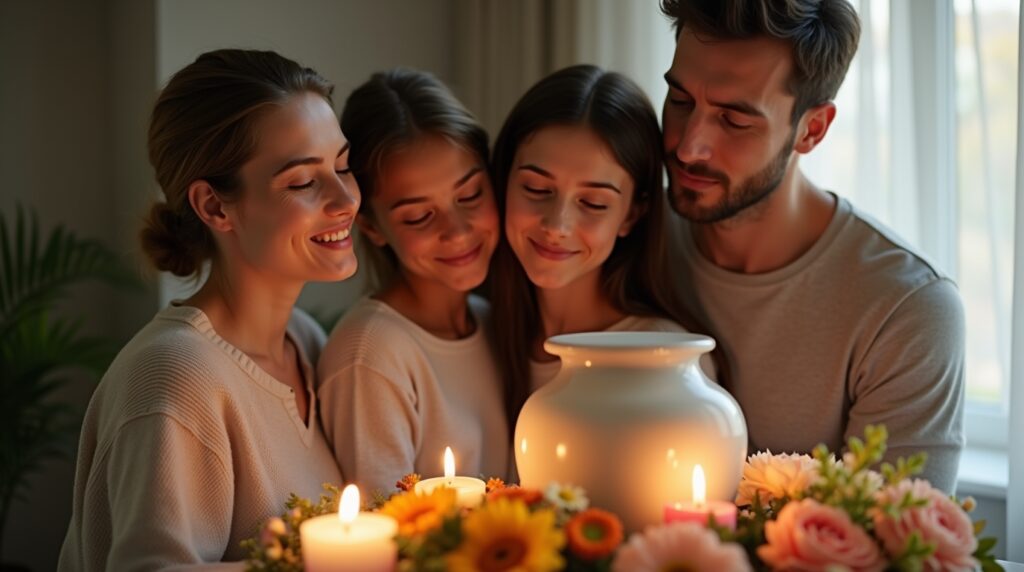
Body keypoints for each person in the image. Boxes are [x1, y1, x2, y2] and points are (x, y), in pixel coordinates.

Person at [58, 49, 358, 570]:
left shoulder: (306, 343)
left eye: (343, 165)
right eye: (304, 182)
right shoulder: (175, 378)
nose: (346, 198)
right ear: (215, 206)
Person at [659, 0, 965, 491]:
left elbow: (892, 547)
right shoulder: (621, 235)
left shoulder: (906, 307)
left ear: (812, 129)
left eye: (734, 120)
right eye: (679, 100)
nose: (688, 145)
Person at [490, 64, 719, 431]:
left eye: (593, 203)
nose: (557, 226)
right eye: (536, 189)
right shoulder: (483, 335)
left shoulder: (665, 360)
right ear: (503, 182)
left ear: (631, 215)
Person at [318, 69, 508, 495]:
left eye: (470, 195)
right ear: (371, 227)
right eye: (419, 216)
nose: (457, 231)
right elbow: (385, 529)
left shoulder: (495, 322)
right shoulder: (371, 354)